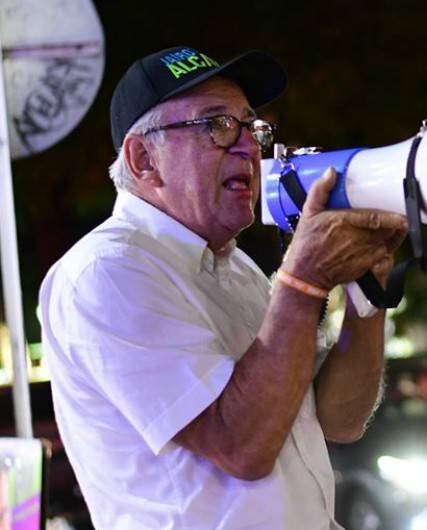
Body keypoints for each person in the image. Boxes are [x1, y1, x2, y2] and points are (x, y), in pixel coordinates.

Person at [38, 46, 408, 530]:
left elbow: (340, 419)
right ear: (143, 157)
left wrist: (367, 292)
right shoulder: (107, 273)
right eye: (215, 125)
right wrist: (302, 282)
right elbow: (240, 445)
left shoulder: (235, 269)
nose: (249, 148)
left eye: (251, 127)